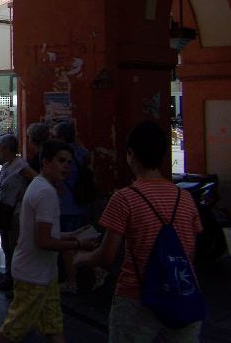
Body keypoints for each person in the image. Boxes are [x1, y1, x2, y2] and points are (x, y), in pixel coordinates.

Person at [74, 120, 203, 342]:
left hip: (136, 298)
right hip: (182, 295)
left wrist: (79, 259)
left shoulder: (125, 198)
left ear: (131, 154)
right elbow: (189, 253)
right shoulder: (186, 199)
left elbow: (107, 255)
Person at [0, 140, 98, 343]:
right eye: (61, 161)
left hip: (43, 274)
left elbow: (43, 234)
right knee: (13, 329)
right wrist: (78, 245)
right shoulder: (46, 192)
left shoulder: (40, 186)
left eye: (68, 162)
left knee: (53, 326)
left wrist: (72, 234)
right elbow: (44, 241)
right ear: (46, 162)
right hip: (34, 275)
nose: (66, 166)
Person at [0, 134, 37, 292]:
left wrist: (24, 191)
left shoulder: (20, 165)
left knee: (16, 247)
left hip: (16, 212)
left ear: (8, 148)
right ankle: (9, 278)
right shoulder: (6, 166)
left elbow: (37, 179)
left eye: (0, 148)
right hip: (5, 210)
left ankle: (19, 282)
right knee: (6, 246)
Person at [51, 121, 92, 293]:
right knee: (82, 242)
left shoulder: (61, 155)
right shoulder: (83, 152)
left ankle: (71, 281)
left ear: (61, 138)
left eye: (54, 136)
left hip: (65, 203)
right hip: (81, 201)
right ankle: (95, 272)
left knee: (68, 245)